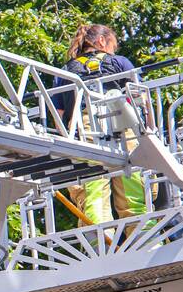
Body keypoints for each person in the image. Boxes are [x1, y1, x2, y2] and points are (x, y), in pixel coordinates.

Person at [53, 24, 146, 229]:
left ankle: (102, 245)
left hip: (84, 128)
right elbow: (140, 100)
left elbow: (58, 115)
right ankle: (145, 242)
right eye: (112, 45)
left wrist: (68, 147)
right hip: (124, 126)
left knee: (93, 194)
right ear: (102, 41)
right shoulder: (120, 62)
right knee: (133, 196)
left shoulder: (65, 72)